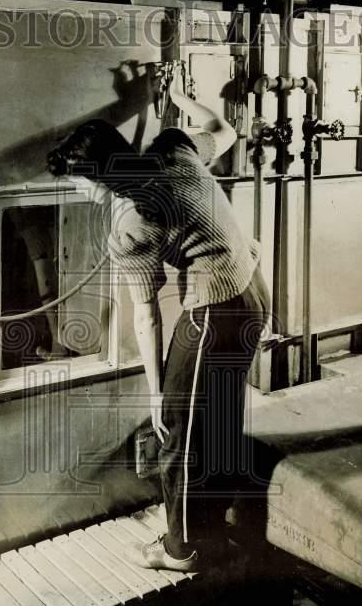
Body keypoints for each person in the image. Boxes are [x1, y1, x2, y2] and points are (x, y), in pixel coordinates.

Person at [47, 66, 271, 571]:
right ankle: (214, 527)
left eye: (80, 184)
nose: (79, 194)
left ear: (98, 179)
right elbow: (224, 129)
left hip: (217, 310)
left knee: (178, 427)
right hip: (254, 293)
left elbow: (146, 314)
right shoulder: (172, 148)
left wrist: (155, 392)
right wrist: (178, 97)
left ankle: (184, 548)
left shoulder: (130, 223)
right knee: (215, 422)